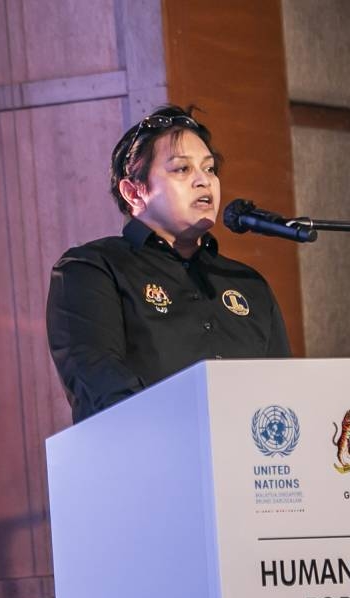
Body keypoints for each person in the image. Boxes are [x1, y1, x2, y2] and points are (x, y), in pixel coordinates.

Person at [46, 105, 291, 423]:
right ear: (134, 191)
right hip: (148, 462)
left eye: (210, 169)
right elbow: (104, 390)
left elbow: (285, 394)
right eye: (182, 170)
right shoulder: (92, 271)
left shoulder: (248, 284)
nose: (204, 181)